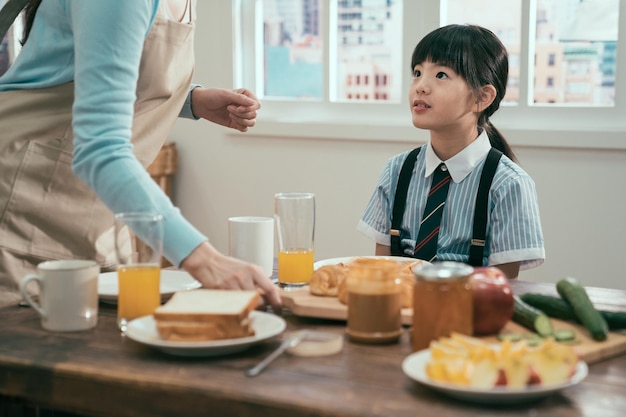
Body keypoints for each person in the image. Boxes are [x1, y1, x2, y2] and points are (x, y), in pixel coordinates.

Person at [0, 0, 281, 311]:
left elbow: (102, 70)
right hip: (20, 209)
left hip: (96, 213)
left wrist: (189, 101)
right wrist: (204, 259)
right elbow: (99, 151)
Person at [357, 24, 545, 279]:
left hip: (469, 314)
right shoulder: (396, 171)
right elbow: (382, 273)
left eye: (441, 75)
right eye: (417, 72)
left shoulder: (509, 185)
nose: (421, 86)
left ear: (483, 97)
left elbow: (502, 288)